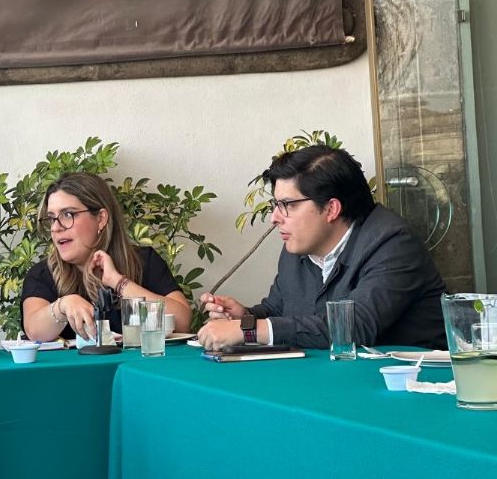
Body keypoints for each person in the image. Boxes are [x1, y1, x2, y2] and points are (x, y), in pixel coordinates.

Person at [197, 145, 447, 351]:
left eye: (287, 205)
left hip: (411, 389)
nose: (274, 217)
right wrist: (245, 317)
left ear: (331, 209)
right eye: (276, 204)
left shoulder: (392, 244)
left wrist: (249, 331)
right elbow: (278, 310)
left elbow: (353, 328)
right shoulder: (299, 247)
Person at [22, 172, 192, 342]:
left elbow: (181, 322)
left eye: (68, 215)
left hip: (138, 367)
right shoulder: (43, 274)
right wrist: (63, 305)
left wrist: (118, 282)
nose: (56, 228)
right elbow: (34, 331)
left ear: (101, 219)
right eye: (52, 218)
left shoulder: (144, 261)